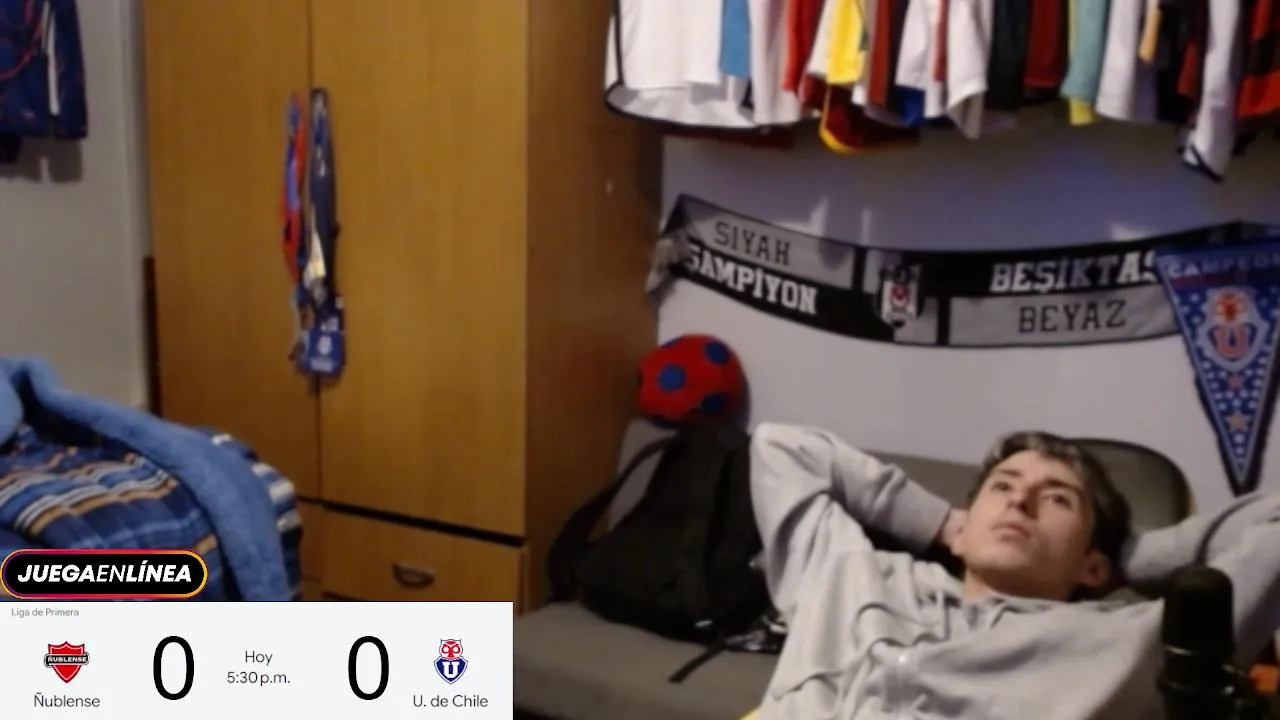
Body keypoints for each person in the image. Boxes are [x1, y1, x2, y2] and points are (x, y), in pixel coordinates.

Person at [749, 422, 1280, 720]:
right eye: (1002, 485)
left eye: (1058, 499)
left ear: (1092, 565)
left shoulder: (1125, 642)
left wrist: (1129, 557)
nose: (1020, 500)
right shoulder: (854, 571)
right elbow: (781, 447)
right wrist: (941, 523)